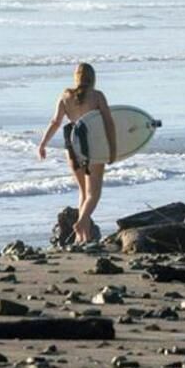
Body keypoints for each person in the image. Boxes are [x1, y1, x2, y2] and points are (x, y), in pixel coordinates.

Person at [38, 63, 115, 243]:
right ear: (92, 78)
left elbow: (55, 122)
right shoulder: (97, 96)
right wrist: (112, 149)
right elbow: (109, 124)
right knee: (93, 193)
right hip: (93, 145)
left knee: (83, 191)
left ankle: (83, 237)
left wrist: (43, 144)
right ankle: (81, 223)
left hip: (72, 145)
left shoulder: (65, 96)